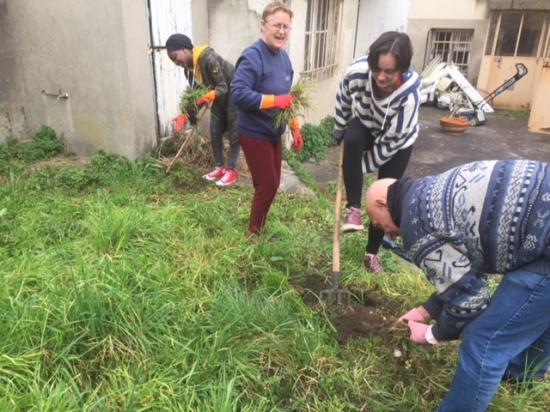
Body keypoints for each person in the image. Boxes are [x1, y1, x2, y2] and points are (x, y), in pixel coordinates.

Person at [365, 159, 550, 412]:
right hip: (542, 213)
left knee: (483, 341)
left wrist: (433, 334)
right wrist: (425, 310)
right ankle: (519, 375)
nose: (387, 235)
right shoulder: (425, 191)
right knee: (536, 311)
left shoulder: (414, 225)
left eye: (378, 224)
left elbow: (472, 299)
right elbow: (464, 274)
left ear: (382, 204)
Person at [333, 31, 421, 273]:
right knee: (352, 135)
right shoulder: (357, 73)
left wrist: (359, 167)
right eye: (377, 69)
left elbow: (391, 142)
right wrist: (339, 131)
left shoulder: (410, 95)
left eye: (389, 72)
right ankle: (353, 210)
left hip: (397, 140)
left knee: (386, 194)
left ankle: (372, 253)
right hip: (366, 122)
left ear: (401, 69)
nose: (381, 77)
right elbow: (343, 99)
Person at [230, 2, 303, 240]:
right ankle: (253, 232)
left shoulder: (284, 58)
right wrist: (272, 101)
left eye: (286, 27)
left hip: (274, 131)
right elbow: (237, 93)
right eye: (277, 25)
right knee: (268, 185)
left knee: (270, 183)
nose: (282, 31)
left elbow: (287, 99)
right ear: (264, 26)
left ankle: (259, 223)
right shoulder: (253, 56)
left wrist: (293, 126)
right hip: (253, 131)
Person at [166, 33, 241, 186]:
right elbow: (197, 95)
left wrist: (209, 95)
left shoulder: (207, 58)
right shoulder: (188, 70)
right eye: (172, 60)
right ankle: (219, 167)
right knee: (215, 131)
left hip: (234, 93)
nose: (176, 62)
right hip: (219, 98)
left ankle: (231, 170)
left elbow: (222, 86)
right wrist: (186, 115)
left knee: (235, 132)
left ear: (186, 49)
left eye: (175, 57)